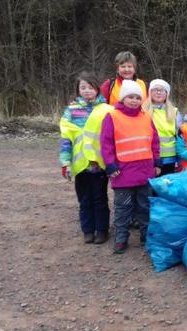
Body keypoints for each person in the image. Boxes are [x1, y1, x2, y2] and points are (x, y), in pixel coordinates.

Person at [100, 80, 161, 254]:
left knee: (144, 206)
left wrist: (157, 162)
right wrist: (110, 165)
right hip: (122, 172)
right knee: (123, 207)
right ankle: (121, 237)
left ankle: (145, 235)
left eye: (137, 97)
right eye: (130, 97)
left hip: (144, 170)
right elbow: (106, 144)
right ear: (122, 98)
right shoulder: (112, 116)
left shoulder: (146, 117)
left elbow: (155, 142)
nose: (134, 100)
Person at [59, 71, 111, 244]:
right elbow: (66, 139)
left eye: (90, 87)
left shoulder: (106, 110)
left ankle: (102, 230)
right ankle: (88, 230)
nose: (87, 90)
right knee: (85, 199)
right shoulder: (71, 111)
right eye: (83, 87)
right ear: (78, 89)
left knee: (100, 198)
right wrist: (65, 161)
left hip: (99, 163)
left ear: (97, 89)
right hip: (80, 164)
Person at [142, 79, 179, 176]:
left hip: (169, 158)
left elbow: (180, 135)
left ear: (167, 94)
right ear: (150, 92)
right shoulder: (142, 111)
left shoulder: (174, 111)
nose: (158, 92)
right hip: (149, 157)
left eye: (162, 90)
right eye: (155, 90)